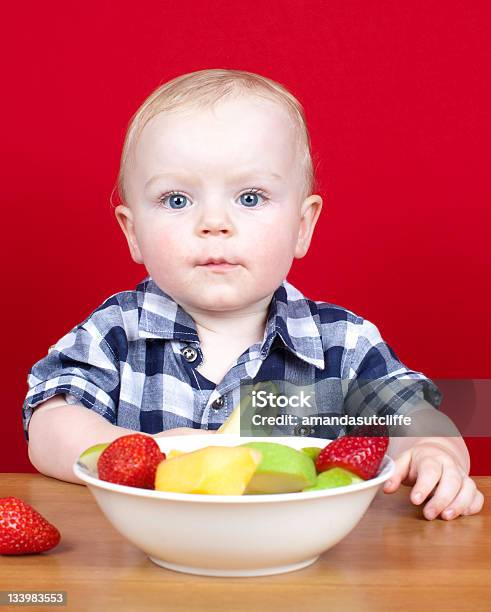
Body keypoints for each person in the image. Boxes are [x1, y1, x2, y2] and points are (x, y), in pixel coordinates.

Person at [23, 68, 483, 519]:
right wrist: (146, 453)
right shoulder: (114, 332)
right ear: (133, 232)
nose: (214, 223)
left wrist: (433, 452)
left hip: (304, 572)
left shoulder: (343, 343)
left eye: (250, 197)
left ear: (302, 227)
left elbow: (412, 413)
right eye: (177, 200)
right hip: (145, 569)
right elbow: (49, 426)